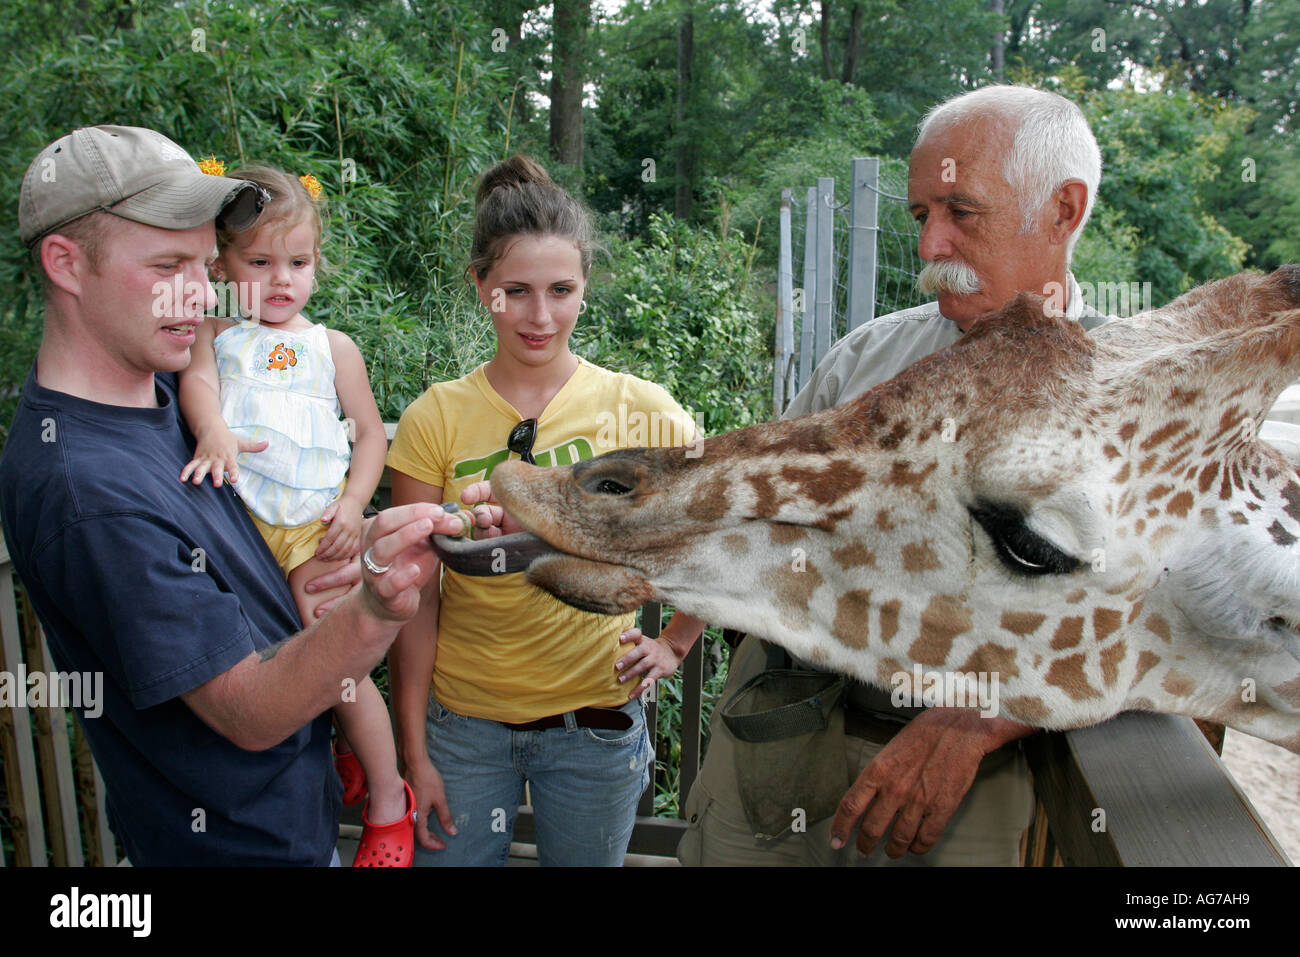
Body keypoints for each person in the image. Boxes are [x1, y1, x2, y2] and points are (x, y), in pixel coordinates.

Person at [0, 125, 467, 865]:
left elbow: (257, 517)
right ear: (66, 262)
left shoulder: (159, 389)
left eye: (203, 262)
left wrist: (356, 531)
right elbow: (248, 710)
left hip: (291, 814)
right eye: (167, 264)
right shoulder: (88, 489)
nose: (202, 290)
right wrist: (373, 607)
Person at [678, 84, 1111, 866]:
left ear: (1063, 210)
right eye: (920, 216)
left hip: (961, 788)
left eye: (960, 212)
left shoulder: (1133, 397)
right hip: (775, 731)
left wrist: (977, 719)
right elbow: (751, 508)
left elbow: (1167, 612)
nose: (929, 247)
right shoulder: (867, 357)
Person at [386, 155, 706, 866]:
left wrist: (676, 644)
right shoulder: (434, 418)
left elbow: (716, 532)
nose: (539, 316)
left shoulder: (641, 410)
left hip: (593, 723)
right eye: (516, 291)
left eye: (561, 290)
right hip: (463, 727)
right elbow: (415, 602)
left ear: (585, 289)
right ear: (480, 287)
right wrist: (416, 751)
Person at [175, 164, 412, 865]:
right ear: (221, 264)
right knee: (269, 662)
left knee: (336, 662)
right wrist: (211, 426)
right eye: (260, 261)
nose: (282, 279)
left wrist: (351, 503)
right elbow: (195, 384)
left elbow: (370, 433)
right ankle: (346, 753)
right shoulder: (212, 334)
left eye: (299, 262)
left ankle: (390, 800)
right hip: (240, 534)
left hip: (311, 531)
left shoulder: (330, 347)